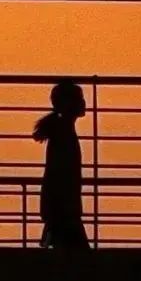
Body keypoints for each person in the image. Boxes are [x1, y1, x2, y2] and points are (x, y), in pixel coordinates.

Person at [31, 80, 89, 249]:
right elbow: (61, 175)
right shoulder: (64, 133)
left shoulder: (61, 129)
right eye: (80, 98)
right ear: (68, 103)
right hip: (65, 213)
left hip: (61, 212)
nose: (84, 103)